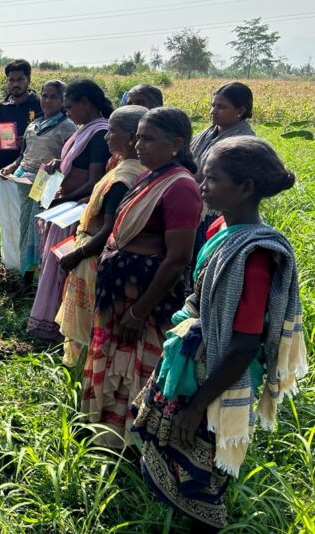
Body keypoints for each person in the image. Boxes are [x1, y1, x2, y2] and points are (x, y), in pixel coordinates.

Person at [131, 137, 306, 532]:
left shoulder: (254, 257)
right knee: (174, 447)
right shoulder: (219, 226)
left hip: (217, 375)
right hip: (192, 358)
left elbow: (244, 344)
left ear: (245, 187)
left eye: (212, 179)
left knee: (202, 466)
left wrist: (197, 406)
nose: (202, 186)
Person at [82, 107, 202, 448]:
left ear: (175, 144)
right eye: (137, 138)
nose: (138, 145)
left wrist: (138, 311)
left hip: (144, 303)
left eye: (148, 139)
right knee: (115, 362)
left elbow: (177, 259)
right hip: (121, 296)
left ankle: (131, 444)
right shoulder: (151, 176)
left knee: (135, 369)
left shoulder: (180, 187)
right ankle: (106, 435)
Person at [55, 105, 149, 366]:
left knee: (87, 323)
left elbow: (109, 228)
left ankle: (83, 371)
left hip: (95, 256)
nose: (106, 137)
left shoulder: (123, 179)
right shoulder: (131, 167)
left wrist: (78, 254)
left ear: (131, 137)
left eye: (112, 132)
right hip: (99, 252)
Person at [26, 79, 113, 342]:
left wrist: (64, 199)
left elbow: (94, 181)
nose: (68, 113)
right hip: (65, 206)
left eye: (70, 107)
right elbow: (75, 164)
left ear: (85, 103)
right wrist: (58, 162)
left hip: (75, 211)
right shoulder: (84, 131)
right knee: (55, 264)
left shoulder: (99, 135)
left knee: (64, 267)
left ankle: (57, 326)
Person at [0, 80, 76, 278]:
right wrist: (12, 167)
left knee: (41, 228)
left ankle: (42, 278)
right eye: (45, 96)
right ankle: (26, 274)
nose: (47, 101)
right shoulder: (34, 124)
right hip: (24, 180)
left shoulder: (68, 127)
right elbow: (24, 154)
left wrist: (57, 165)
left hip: (48, 182)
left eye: (53, 97)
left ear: (63, 100)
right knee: (25, 227)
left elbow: (71, 160)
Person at [190, 82, 256, 257]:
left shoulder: (244, 142)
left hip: (218, 211)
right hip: (193, 203)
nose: (213, 111)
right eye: (213, 105)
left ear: (240, 110)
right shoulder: (205, 134)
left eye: (221, 107)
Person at [0, 59, 42, 171]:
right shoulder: (1, 108)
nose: (15, 84)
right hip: (4, 168)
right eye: (11, 80)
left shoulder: (40, 104)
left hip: (31, 170)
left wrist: (27, 140)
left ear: (29, 80)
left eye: (20, 79)